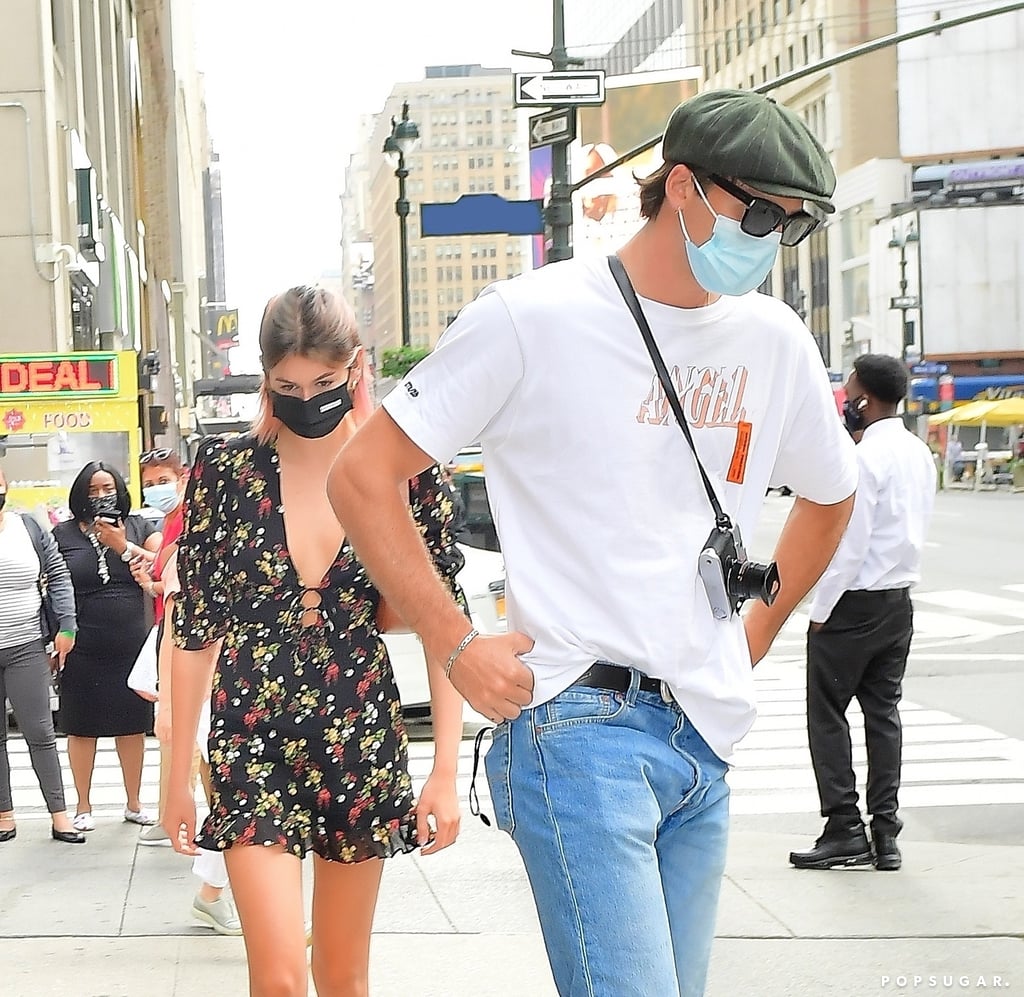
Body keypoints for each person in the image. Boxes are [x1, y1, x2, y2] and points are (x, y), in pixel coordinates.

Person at [327, 89, 858, 997]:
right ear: (681, 187)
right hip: (580, 726)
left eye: (793, 226)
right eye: (761, 213)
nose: (772, 240)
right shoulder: (533, 316)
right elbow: (359, 475)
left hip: (705, 734)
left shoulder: (774, 339)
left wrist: (751, 637)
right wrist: (454, 645)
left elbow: (831, 495)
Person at [164, 285, 466, 995]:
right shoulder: (224, 472)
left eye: (326, 383)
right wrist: (177, 776)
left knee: (341, 977)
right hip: (250, 737)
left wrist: (445, 770)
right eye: (288, 385)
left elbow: (441, 624)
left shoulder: (401, 472)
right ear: (266, 380)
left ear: (356, 368)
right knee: (276, 979)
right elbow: (195, 626)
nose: (308, 398)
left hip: (358, 735)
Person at [791, 354, 937, 873]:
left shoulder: (863, 459)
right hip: (899, 602)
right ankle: (886, 832)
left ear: (862, 399)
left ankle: (843, 828)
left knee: (827, 713)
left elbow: (848, 545)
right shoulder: (920, 453)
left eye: (847, 391)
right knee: (883, 714)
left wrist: (820, 611)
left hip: (854, 603)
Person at [129, 449, 242, 934]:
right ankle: (215, 895)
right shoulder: (190, 549)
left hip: (240, 691)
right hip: (214, 699)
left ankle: (215, 894)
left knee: (237, 801)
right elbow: (180, 634)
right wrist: (171, 710)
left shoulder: (225, 543)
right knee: (236, 801)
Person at [53, 461, 162, 832]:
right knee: (81, 728)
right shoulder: (63, 533)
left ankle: (134, 802)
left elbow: (162, 562)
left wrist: (122, 545)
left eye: (108, 488)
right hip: (82, 642)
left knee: (131, 726)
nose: (101, 496)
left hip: (130, 639)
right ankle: (82, 805)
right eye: (93, 490)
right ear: (81, 494)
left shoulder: (138, 526)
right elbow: (52, 583)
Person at [0, 465, 85, 844]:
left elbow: (58, 574)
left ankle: (60, 815)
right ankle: (4, 814)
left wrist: (66, 625)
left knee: (40, 732)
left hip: (26, 645)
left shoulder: (29, 528)